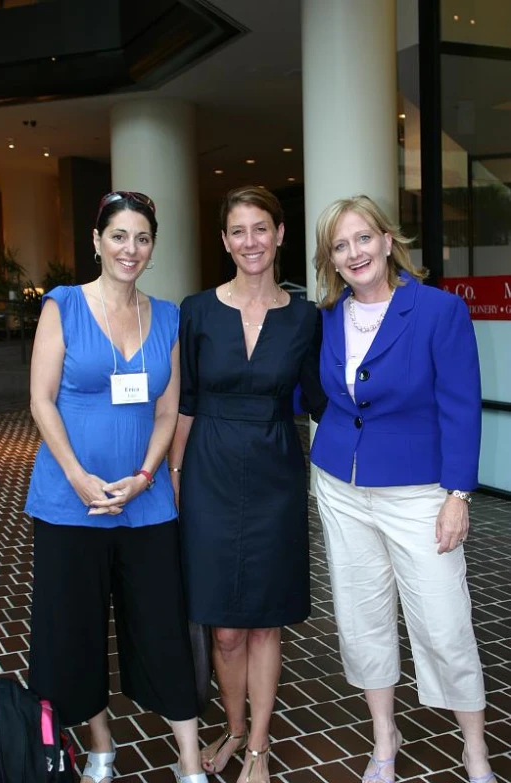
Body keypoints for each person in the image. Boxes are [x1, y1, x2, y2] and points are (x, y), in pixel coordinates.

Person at [311, 194, 496, 783]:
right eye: (340, 246)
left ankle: (475, 750)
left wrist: (457, 495)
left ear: (389, 241)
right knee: (361, 615)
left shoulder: (439, 311)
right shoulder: (325, 317)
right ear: (331, 260)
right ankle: (384, 738)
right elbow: (309, 393)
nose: (354, 253)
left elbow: (462, 406)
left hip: (420, 490)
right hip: (341, 484)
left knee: (443, 622)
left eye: (363, 238)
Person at [25, 191, 207, 783]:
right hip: (68, 502)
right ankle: (101, 744)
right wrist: (78, 477)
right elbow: (41, 399)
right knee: (75, 629)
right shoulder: (63, 306)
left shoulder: (169, 317)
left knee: (161, 626)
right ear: (97, 241)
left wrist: (147, 476)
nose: (131, 249)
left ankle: (187, 759)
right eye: (120, 236)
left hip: (146, 503)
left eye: (143, 238)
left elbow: (168, 410)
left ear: (153, 247)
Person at [169, 186, 326, 783]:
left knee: (264, 620)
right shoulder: (197, 309)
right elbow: (183, 401)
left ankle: (258, 745)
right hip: (207, 468)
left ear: (280, 235)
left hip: (275, 471)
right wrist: (175, 478)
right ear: (225, 241)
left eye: (261, 228)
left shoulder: (305, 316)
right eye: (239, 231)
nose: (250, 241)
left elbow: (319, 401)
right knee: (225, 626)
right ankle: (233, 727)